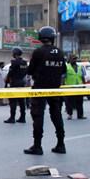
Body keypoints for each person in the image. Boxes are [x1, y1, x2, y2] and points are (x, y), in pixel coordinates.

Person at [24, 26, 66, 155]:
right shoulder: (59, 52)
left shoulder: (38, 52)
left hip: (40, 87)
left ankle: (37, 145)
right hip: (55, 88)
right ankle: (61, 143)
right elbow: (63, 70)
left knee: (38, 114)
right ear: (53, 38)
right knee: (56, 114)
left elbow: (30, 71)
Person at [4, 47, 28, 124]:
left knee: (13, 100)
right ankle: (22, 117)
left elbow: (10, 73)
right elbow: (25, 72)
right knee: (21, 101)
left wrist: (6, 79)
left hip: (15, 82)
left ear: (15, 53)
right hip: (21, 82)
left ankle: (12, 117)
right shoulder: (24, 62)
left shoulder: (14, 62)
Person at [63, 54, 86, 120]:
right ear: (70, 59)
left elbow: (82, 76)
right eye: (73, 59)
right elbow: (63, 77)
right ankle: (70, 114)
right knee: (69, 102)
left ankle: (80, 115)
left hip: (79, 87)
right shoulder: (67, 67)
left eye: (75, 59)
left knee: (80, 102)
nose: (74, 60)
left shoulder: (79, 67)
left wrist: (84, 84)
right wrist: (63, 86)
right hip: (70, 87)